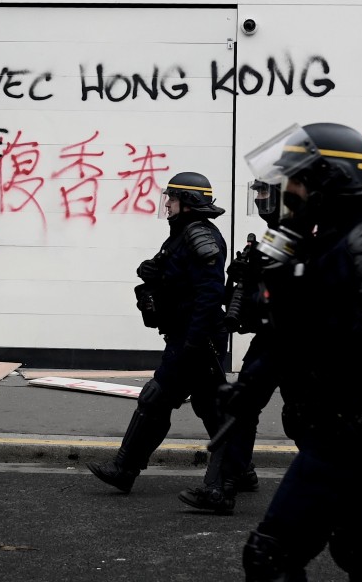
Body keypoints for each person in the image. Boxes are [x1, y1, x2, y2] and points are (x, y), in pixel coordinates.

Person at [240, 122, 362, 582]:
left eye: (297, 179)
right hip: (329, 427)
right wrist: (248, 388)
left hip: (351, 439)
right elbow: (293, 335)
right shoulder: (322, 243)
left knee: (271, 556)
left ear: (329, 180)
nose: (290, 190)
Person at [88, 171, 229, 495]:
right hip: (189, 334)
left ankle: (125, 469)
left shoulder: (199, 236)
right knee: (210, 407)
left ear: (188, 202)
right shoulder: (183, 233)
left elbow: (209, 294)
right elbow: (178, 274)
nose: (167, 203)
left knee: (157, 398)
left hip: (196, 337)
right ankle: (241, 472)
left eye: (173, 198)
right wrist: (152, 272)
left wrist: (193, 342)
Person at [176, 180, 286, 514]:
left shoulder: (302, 238)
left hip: (303, 345)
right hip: (275, 340)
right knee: (240, 409)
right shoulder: (274, 239)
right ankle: (221, 488)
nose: (260, 201)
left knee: (312, 423)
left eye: (266, 194)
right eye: (258, 195)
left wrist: (263, 279)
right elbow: (256, 312)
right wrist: (243, 285)